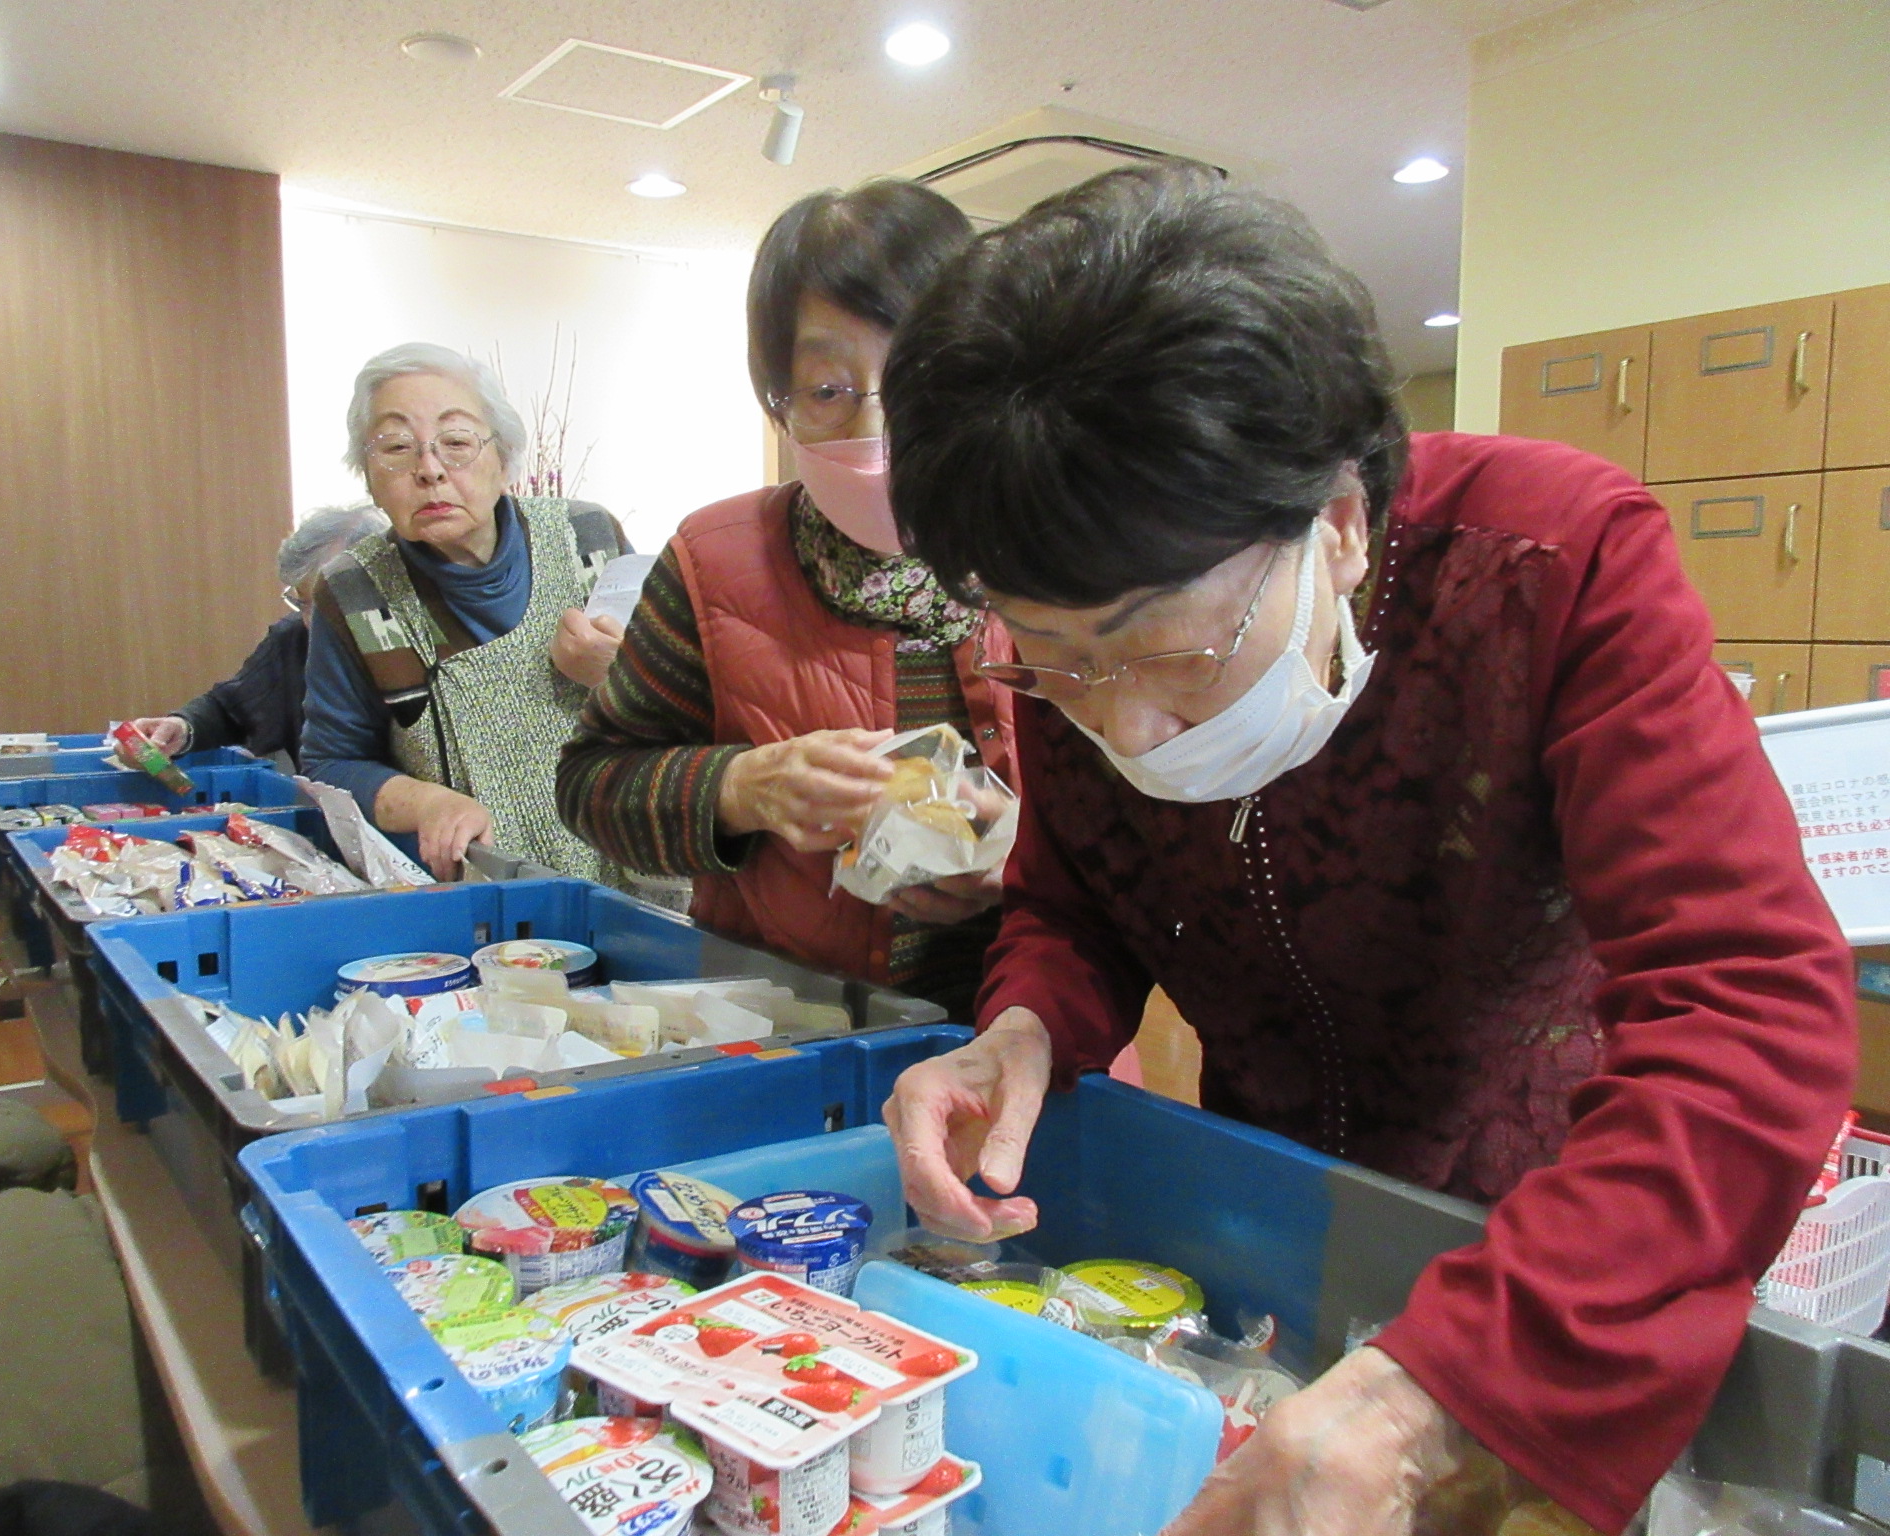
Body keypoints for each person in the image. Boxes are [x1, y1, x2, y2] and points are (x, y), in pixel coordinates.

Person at [877, 165, 1856, 1535]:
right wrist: (1027, 1026)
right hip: (1270, 1219)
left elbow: (1747, 1008)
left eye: (1174, 655)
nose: (1125, 724)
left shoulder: (1550, 564)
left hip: (1565, 1253)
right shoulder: (1078, 648)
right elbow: (1073, 900)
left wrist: (1438, 1391)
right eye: (1052, 657)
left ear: (1337, 525)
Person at [556, 181, 1017, 1016]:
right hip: (795, 1029)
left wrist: (1024, 869)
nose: (876, 427)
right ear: (779, 403)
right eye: (828, 390)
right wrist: (740, 787)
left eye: (915, 377)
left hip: (1024, 1032)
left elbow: (1145, 824)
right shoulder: (715, 562)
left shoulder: (1049, 556)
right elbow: (592, 782)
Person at [302, 343, 615, 881]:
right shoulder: (354, 591)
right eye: (397, 447)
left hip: (632, 878)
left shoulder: (588, 538)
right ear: (369, 477)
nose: (429, 470)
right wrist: (428, 803)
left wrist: (622, 676)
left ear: (504, 459)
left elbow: (697, 705)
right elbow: (331, 765)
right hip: (489, 895)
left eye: (456, 442)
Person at [131, 503, 386, 766]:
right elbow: (231, 709)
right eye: (303, 604)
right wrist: (181, 728)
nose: (313, 622)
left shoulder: (403, 647)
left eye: (330, 605)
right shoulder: (293, 638)